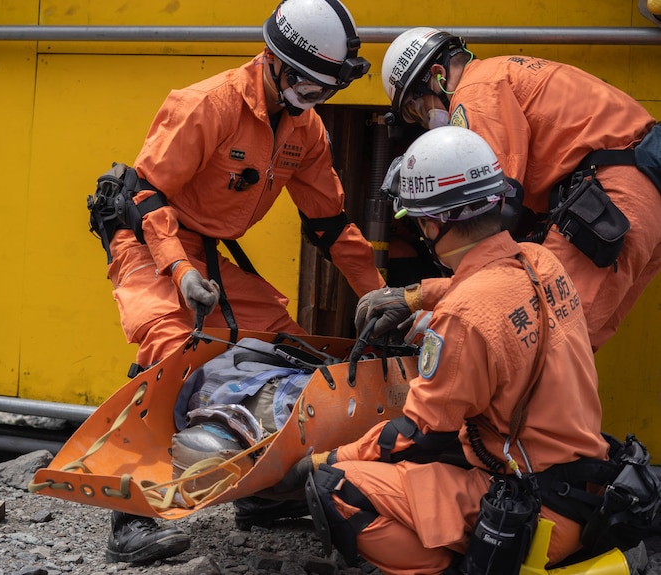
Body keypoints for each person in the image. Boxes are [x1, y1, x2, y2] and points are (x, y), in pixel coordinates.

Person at [97, 0, 385, 564]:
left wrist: (376, 291)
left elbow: (329, 223)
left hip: (206, 251)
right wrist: (179, 273)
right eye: (308, 86)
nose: (316, 100)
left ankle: (264, 493)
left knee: (288, 350)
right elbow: (144, 196)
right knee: (171, 352)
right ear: (276, 62)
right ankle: (130, 513)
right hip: (149, 239)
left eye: (325, 90)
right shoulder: (207, 104)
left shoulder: (306, 129)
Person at [274, 126, 611, 574]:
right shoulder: (539, 259)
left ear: (432, 224)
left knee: (333, 487)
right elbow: (491, 286)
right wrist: (413, 296)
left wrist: (323, 458)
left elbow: (418, 434)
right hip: (587, 490)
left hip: (531, 515)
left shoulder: (464, 317)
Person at [372, 26, 661, 351]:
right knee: (573, 345)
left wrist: (440, 308)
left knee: (541, 342)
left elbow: (489, 216)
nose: (423, 121)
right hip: (638, 196)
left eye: (415, 108)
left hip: (612, 195)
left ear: (438, 76)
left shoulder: (474, 92)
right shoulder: (499, 75)